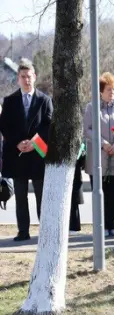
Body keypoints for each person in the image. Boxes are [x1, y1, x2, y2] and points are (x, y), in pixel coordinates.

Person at [0, 59, 53, 242]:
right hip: (18, 155)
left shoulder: (44, 100)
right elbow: (4, 126)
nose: (26, 80)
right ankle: (23, 231)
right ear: (18, 79)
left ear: (34, 77)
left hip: (37, 154)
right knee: (21, 196)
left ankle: (44, 232)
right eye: (23, 77)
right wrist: (17, 143)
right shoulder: (9, 101)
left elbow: (49, 125)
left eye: (29, 76)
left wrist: (34, 142)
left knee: (41, 196)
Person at [83, 71, 114, 237]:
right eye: (109, 89)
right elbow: (87, 130)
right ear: (101, 91)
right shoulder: (92, 107)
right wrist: (103, 144)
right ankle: (100, 226)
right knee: (100, 193)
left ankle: (111, 226)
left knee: (113, 194)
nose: (112, 92)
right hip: (98, 158)